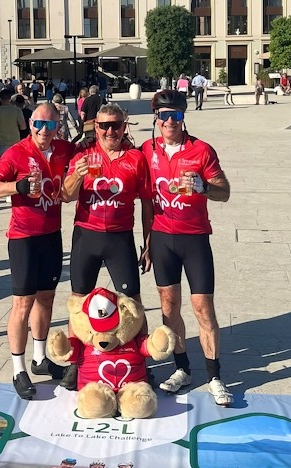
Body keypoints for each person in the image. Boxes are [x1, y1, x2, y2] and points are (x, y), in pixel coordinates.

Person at [140, 90, 233, 406]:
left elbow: (225, 192)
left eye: (176, 115)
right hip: (163, 239)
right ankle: (182, 369)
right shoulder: (147, 150)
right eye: (163, 115)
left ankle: (214, 376)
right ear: (156, 118)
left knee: (203, 308)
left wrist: (204, 187)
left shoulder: (201, 150)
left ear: (183, 118)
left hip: (194, 239)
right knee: (169, 308)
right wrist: (148, 242)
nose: (169, 121)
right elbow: (146, 202)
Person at [0, 103, 78, 400]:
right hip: (23, 237)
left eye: (50, 125)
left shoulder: (64, 149)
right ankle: (17, 369)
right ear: (30, 123)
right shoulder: (17, 152)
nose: (43, 131)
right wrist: (18, 186)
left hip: (51, 235)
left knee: (46, 298)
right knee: (22, 303)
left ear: (58, 126)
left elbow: (89, 154)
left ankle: (39, 359)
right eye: (38, 124)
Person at [61, 103, 153, 390]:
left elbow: (147, 202)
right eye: (104, 126)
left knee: (133, 303)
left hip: (119, 237)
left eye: (115, 125)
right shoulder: (84, 155)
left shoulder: (136, 159)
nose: (110, 130)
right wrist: (77, 174)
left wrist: (148, 243)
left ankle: (141, 361)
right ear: (95, 128)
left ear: (124, 126)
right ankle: (76, 364)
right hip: (86, 236)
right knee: (78, 302)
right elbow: (65, 195)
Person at [0, 88, 26, 157]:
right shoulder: (17, 110)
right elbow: (23, 126)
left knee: (5, 164)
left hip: (2, 141)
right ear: (10, 98)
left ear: (0, 98)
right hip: (15, 140)